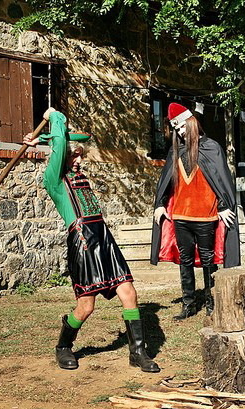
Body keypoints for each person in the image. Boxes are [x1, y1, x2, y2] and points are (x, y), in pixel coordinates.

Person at [23, 108, 160, 373]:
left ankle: (138, 353)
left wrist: (41, 140)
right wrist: (54, 117)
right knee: (86, 306)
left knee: (129, 292)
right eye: (73, 155)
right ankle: (63, 346)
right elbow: (61, 143)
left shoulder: (79, 176)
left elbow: (66, 141)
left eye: (80, 155)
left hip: (104, 238)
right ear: (61, 155)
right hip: (82, 242)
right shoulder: (54, 179)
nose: (78, 159)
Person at [150, 103, 241, 320]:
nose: (180, 132)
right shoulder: (176, 151)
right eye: (176, 129)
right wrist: (160, 203)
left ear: (192, 123)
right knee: (186, 260)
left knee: (209, 261)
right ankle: (188, 304)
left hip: (206, 216)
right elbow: (167, 182)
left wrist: (224, 206)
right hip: (180, 216)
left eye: (182, 127)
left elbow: (220, 180)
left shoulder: (211, 148)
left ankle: (211, 303)